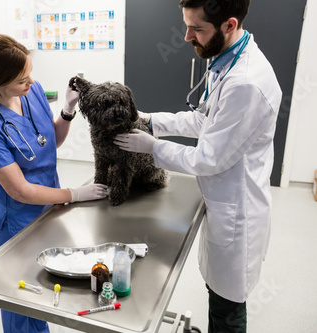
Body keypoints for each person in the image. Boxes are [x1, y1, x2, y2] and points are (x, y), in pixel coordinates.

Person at [114, 1, 282, 332]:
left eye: (197, 29)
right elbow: (203, 120)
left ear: (229, 25)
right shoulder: (225, 61)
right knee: (217, 294)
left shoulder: (246, 84)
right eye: (186, 25)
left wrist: (153, 148)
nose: (187, 36)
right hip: (221, 201)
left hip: (237, 213)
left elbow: (207, 158)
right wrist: (149, 121)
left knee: (227, 309)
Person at [0, 33, 108, 333]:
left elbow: (50, 141)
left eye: (30, 75)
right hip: (18, 219)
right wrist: (74, 194)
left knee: (42, 290)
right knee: (21, 297)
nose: (30, 83)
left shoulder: (33, 90)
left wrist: (67, 111)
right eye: (21, 80)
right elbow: (19, 189)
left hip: (48, 210)